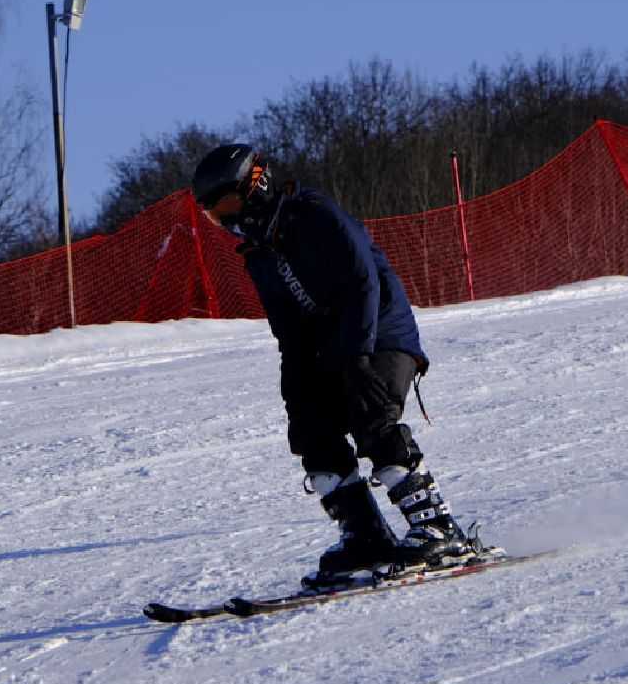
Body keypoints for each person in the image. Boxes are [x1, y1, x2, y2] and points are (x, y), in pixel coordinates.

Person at [190, 143, 476, 588]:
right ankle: (366, 537)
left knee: (370, 413)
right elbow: (289, 330)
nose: (224, 219)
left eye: (225, 204)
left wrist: (358, 355)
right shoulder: (258, 253)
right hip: (334, 348)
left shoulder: (313, 214)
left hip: (381, 333)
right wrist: (296, 383)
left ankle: (440, 530)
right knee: (312, 431)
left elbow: (363, 283)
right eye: (212, 214)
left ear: (255, 184)